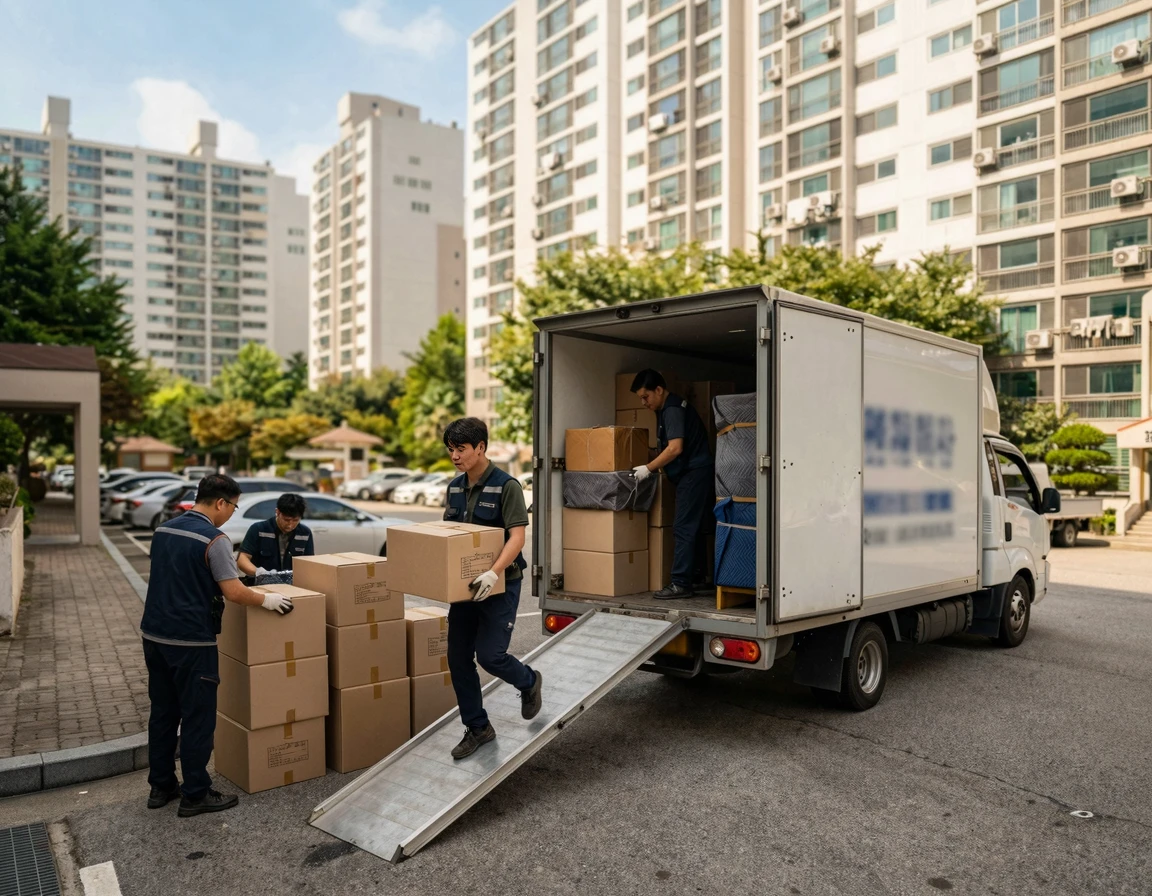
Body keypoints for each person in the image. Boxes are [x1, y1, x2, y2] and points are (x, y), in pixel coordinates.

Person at [139, 474, 295, 817]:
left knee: (163, 713)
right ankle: (195, 793)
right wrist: (268, 601)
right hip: (191, 641)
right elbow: (234, 591)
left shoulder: (164, 530)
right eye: (233, 506)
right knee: (197, 718)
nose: (231, 514)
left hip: (154, 635)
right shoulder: (214, 539)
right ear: (221, 502)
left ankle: (161, 786)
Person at [441, 417, 543, 760]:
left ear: (480, 447)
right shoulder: (454, 487)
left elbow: (517, 536)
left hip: (501, 583)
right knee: (457, 657)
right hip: (466, 589)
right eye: (451, 449)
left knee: (490, 656)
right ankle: (478, 727)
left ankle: (528, 681)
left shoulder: (506, 486)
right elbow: (452, 539)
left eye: (461, 449)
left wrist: (494, 572)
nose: (455, 456)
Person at [630, 370, 715, 599]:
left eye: (645, 397)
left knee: (683, 527)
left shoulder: (673, 409)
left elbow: (675, 448)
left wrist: (648, 468)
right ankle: (697, 576)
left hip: (693, 474)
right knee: (694, 526)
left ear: (659, 390)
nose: (643, 402)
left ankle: (680, 583)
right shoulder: (667, 408)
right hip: (695, 473)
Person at [237, 492, 315, 576]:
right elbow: (242, 559)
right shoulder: (259, 530)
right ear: (277, 512)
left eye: (295, 520)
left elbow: (309, 563)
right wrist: (260, 573)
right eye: (286, 520)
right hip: (260, 584)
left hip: (291, 585)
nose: (290, 524)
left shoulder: (305, 533)